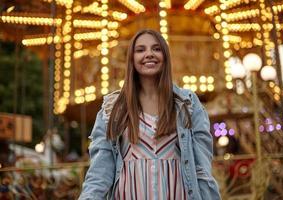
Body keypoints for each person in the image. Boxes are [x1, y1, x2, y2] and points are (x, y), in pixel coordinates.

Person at [78, 29, 221, 200]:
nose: (149, 54)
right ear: (131, 59)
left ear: (166, 56)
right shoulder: (114, 109)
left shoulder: (187, 104)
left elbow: (201, 168)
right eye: (140, 50)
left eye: (156, 48)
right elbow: (100, 170)